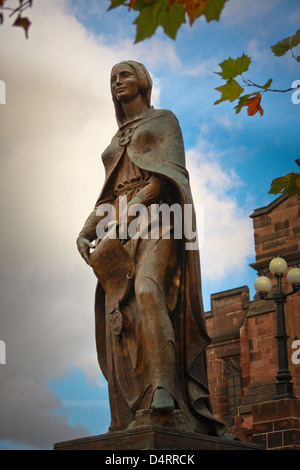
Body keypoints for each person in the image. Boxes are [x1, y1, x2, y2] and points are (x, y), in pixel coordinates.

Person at [76, 60, 225, 435]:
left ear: (143, 81)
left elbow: (166, 176)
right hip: (119, 230)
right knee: (122, 318)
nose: (117, 82)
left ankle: (165, 389)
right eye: (112, 78)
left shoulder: (164, 121)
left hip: (161, 218)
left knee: (146, 289)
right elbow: (109, 192)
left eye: (124, 74)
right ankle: (135, 405)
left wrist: (131, 212)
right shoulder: (116, 140)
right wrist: (88, 227)